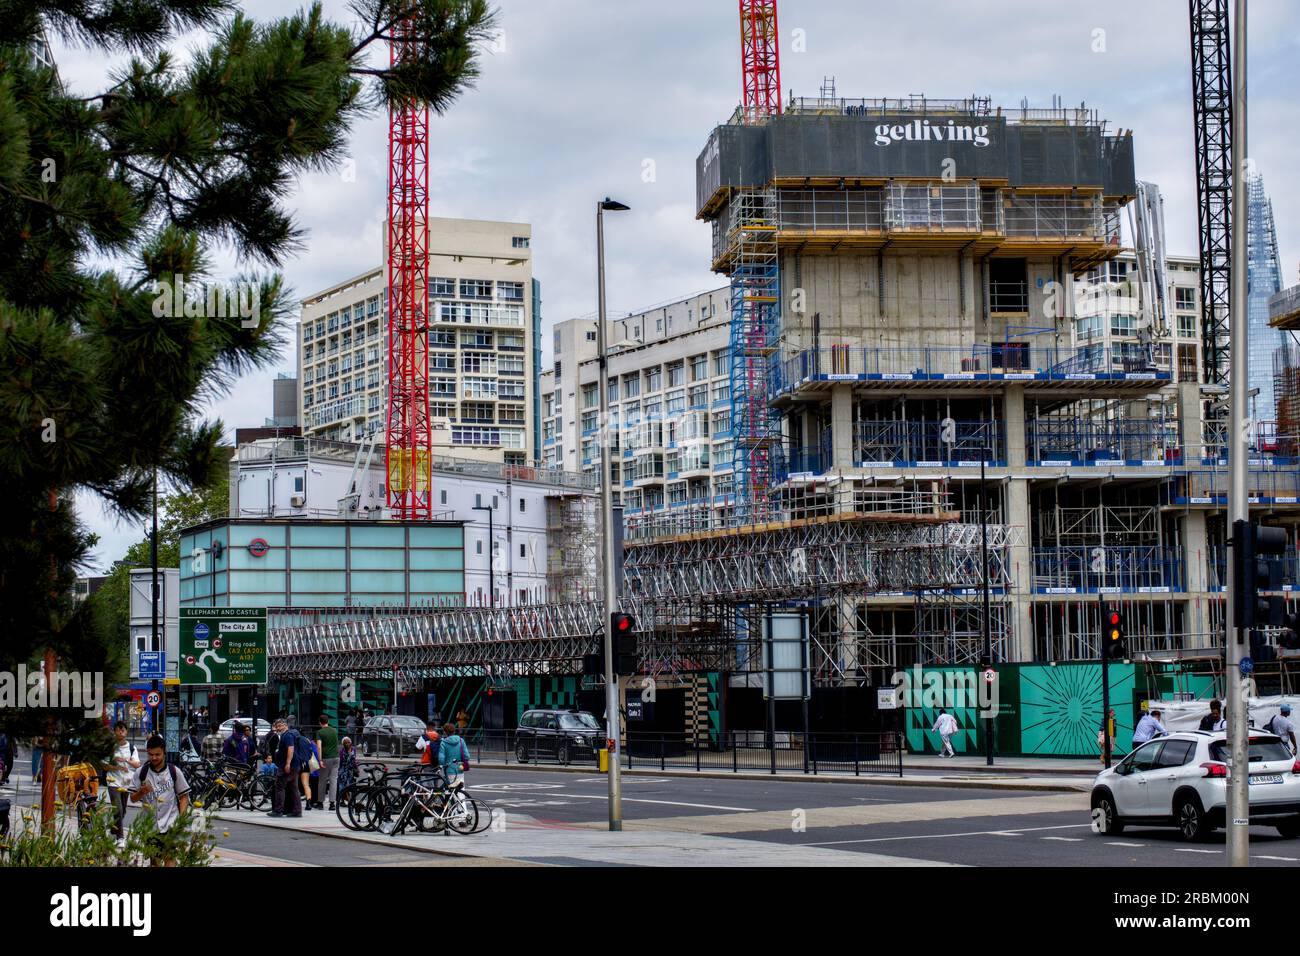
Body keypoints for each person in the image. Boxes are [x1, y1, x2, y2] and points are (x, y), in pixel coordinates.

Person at [128, 734, 190, 867]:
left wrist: (181, 820)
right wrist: (142, 791)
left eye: (157, 754)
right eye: (151, 754)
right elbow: (132, 798)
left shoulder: (174, 771)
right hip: (150, 826)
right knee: (154, 862)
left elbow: (184, 796)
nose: (154, 758)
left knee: (170, 859)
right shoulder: (141, 772)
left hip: (171, 824)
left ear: (164, 753)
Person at [107, 723, 140, 839]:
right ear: (114, 732)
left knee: (123, 811)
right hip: (113, 781)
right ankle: (120, 838)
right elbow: (104, 765)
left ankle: (113, 828)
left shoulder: (132, 748)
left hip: (126, 782)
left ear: (126, 732)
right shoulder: (110, 748)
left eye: (123, 730)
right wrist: (117, 766)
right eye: (118, 730)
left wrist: (126, 761)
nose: (120, 732)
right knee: (118, 809)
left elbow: (137, 764)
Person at [269, 719, 302, 818]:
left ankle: (278, 810)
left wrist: (287, 763)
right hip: (294, 765)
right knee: (294, 788)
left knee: (279, 787)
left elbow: (290, 748)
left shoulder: (287, 735)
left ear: (285, 725)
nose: (278, 728)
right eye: (277, 726)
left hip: (287, 766)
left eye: (280, 726)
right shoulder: (289, 735)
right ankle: (297, 811)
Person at [314, 714, 340, 811]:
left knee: (322, 780)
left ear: (320, 722)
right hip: (336, 757)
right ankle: (332, 803)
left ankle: (320, 803)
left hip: (326, 758)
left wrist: (320, 760)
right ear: (328, 721)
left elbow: (319, 746)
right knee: (333, 780)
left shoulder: (319, 732)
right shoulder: (334, 730)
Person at [438, 723, 469, 789]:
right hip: (460, 768)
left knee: (450, 789)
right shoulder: (461, 740)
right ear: (454, 731)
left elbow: (441, 760)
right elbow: (467, 756)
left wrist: (443, 764)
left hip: (449, 770)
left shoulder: (443, 743)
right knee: (460, 789)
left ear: (445, 732)